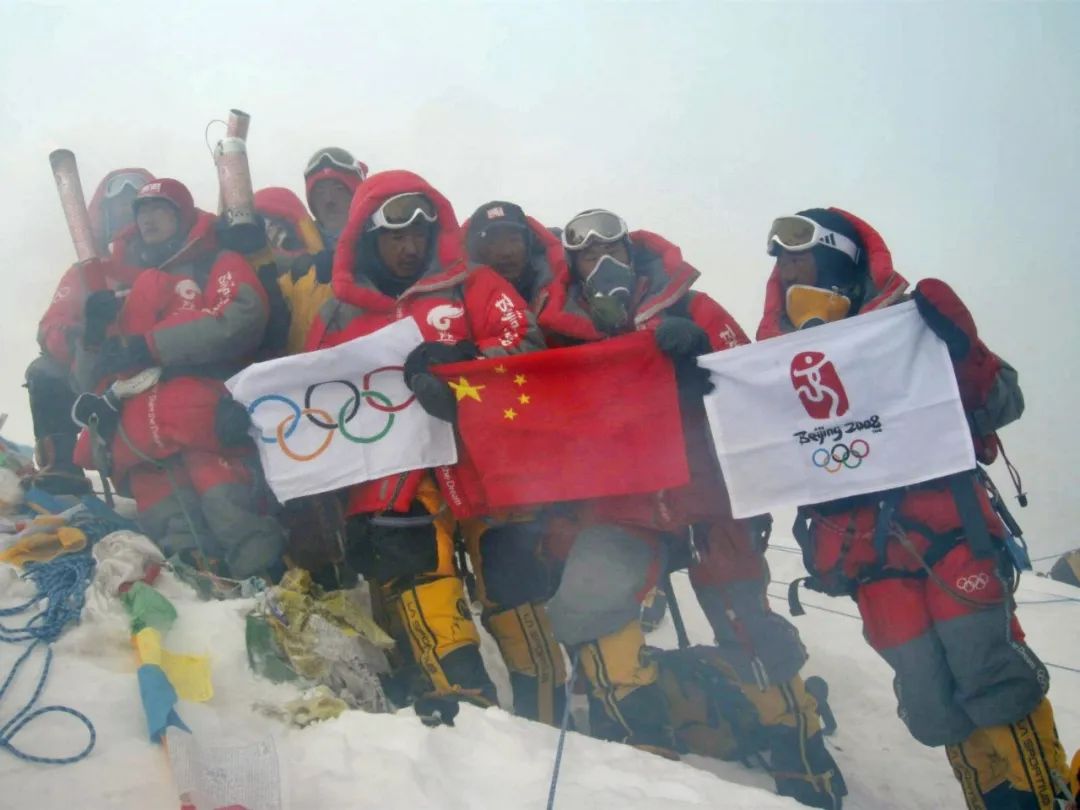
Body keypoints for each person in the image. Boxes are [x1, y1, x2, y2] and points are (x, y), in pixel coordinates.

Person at [757, 207, 1075, 809]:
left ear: (837, 257)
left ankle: (1043, 796)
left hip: (946, 530)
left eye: (800, 255)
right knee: (931, 701)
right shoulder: (770, 357)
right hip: (864, 554)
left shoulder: (911, 321)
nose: (786, 268)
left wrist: (961, 347)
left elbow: (1004, 401)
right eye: (781, 260)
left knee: (989, 675)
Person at [536, 208, 845, 808]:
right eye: (582, 247)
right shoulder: (558, 330)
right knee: (596, 621)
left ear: (629, 248)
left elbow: (760, 385)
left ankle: (806, 770)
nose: (598, 254)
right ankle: (644, 765)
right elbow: (529, 405)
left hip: (707, 496)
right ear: (569, 263)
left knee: (750, 628)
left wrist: (705, 362)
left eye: (609, 241)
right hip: (619, 505)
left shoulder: (693, 308)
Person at [305, 171, 543, 709]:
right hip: (395, 484)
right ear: (368, 236)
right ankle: (468, 720)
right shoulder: (339, 312)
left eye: (419, 233)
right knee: (428, 594)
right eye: (395, 236)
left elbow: (525, 345)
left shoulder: (475, 285)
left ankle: (554, 727)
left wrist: (464, 368)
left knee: (515, 594)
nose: (410, 247)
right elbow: (311, 395)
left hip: (484, 468)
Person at [71, 178, 285, 580]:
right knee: (177, 542)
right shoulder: (121, 287)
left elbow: (242, 318)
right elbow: (85, 379)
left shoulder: (215, 262)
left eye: (160, 209)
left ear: (183, 215)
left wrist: (151, 345)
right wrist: (92, 333)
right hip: (140, 441)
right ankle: (204, 610)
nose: (148, 219)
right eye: (142, 212)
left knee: (234, 516)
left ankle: (271, 600)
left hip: (207, 420)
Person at [455, 200, 571, 725]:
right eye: (489, 239)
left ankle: (563, 711)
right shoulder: (458, 294)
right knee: (511, 586)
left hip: (571, 467)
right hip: (491, 470)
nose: (504, 251)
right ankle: (542, 717)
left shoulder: (569, 294)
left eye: (514, 239)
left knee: (558, 589)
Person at [28, 168, 154, 494]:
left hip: (154, 362)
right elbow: (51, 327)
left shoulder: (173, 261)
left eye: (133, 203)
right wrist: (85, 331)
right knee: (44, 371)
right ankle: (62, 465)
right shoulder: (88, 273)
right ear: (105, 215)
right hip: (98, 369)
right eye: (117, 205)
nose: (125, 212)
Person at [253, 186, 328, 355]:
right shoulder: (252, 280)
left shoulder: (329, 270)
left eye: (278, 224)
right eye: (264, 226)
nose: (274, 233)